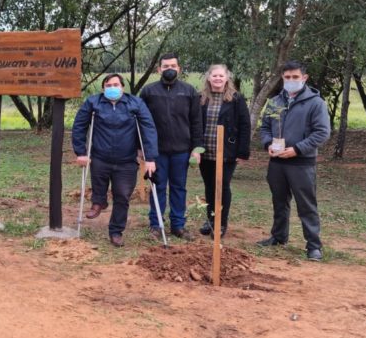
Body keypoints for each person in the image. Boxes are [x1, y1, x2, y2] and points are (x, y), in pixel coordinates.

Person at [72, 73, 158, 247]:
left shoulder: (135, 103)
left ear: (122, 87)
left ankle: (116, 231)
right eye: (108, 85)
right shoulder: (93, 103)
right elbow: (79, 125)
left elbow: (148, 128)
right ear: (103, 88)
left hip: (126, 160)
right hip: (100, 157)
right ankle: (98, 202)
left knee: (122, 195)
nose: (112, 88)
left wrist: (150, 158)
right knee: (98, 184)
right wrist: (81, 152)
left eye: (116, 85)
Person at [258, 60, 330, 261]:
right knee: (279, 201)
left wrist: (298, 149)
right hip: (277, 163)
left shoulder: (315, 103)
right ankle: (279, 236)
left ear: (304, 78)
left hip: (301, 163)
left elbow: (322, 133)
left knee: (306, 205)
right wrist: (267, 145)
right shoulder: (274, 102)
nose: (291, 80)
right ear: (282, 78)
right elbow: (264, 128)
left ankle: (314, 245)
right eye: (287, 77)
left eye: (295, 77)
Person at [140, 52, 203, 240]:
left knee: (179, 188)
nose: (169, 69)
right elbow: (140, 122)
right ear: (159, 69)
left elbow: (196, 122)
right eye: (166, 66)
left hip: (182, 151)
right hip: (156, 151)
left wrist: (197, 148)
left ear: (179, 69)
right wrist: (141, 149)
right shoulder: (148, 91)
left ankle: (178, 225)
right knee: (157, 187)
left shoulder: (189, 91)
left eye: (173, 66)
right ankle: (156, 225)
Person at [197, 64, 251, 238]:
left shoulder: (236, 99)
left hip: (227, 152)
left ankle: (221, 222)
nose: (218, 79)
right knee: (209, 187)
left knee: (222, 186)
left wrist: (243, 152)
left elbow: (245, 125)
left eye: (221, 76)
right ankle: (210, 219)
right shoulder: (201, 98)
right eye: (215, 76)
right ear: (209, 78)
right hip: (206, 152)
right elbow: (195, 124)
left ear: (227, 78)